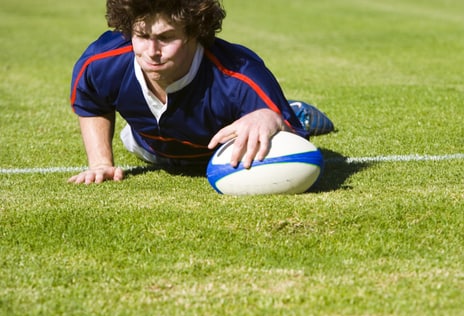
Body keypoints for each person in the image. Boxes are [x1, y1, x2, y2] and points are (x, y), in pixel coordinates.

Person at [68, 0, 334, 184]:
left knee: (271, 118)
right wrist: (101, 163)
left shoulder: (240, 74)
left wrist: (271, 118)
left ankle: (290, 109)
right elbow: (92, 102)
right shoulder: (102, 62)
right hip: (148, 146)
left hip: (222, 151)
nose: (151, 52)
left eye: (166, 38)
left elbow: (299, 147)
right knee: (131, 139)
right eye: (142, 35)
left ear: (195, 32)